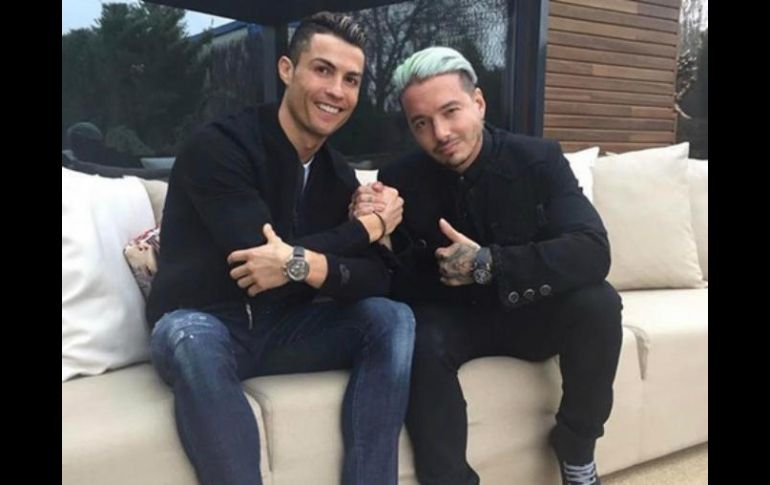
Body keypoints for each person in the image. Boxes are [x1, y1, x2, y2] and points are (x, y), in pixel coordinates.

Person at [146, 12, 415, 485]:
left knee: (392, 319)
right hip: (207, 323)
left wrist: (303, 262)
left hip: (286, 329)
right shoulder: (220, 147)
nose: (337, 91)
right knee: (189, 335)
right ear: (287, 69)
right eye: (323, 70)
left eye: (351, 80)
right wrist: (367, 228)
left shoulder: (336, 173)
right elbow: (255, 260)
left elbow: (377, 277)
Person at [351, 46, 622, 485]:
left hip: (534, 312)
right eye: (421, 123)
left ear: (478, 102)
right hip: (456, 320)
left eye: (450, 112)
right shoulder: (400, 179)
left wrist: (490, 263)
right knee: (416, 334)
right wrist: (375, 237)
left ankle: (576, 448)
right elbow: (395, 284)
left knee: (599, 302)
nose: (440, 133)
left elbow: (593, 250)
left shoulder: (538, 159)